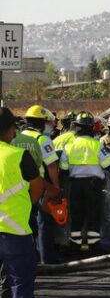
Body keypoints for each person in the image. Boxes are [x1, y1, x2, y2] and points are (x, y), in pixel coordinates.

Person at [0, 107, 44, 298]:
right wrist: (26, 204)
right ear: (9, 130)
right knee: (21, 286)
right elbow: (37, 186)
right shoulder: (19, 155)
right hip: (15, 232)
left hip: (12, 232)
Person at [59, 112, 110, 250]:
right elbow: (108, 163)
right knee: (93, 214)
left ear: (76, 127)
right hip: (93, 185)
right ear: (91, 128)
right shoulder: (97, 145)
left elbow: (63, 168)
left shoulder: (69, 146)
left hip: (75, 185)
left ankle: (75, 245)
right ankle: (94, 245)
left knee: (76, 215)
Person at [23, 105, 61, 264]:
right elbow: (51, 166)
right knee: (45, 221)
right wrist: (57, 188)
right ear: (41, 122)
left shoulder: (20, 136)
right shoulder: (42, 139)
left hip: (21, 187)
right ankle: (47, 258)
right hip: (41, 186)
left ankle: (29, 258)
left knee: (26, 223)